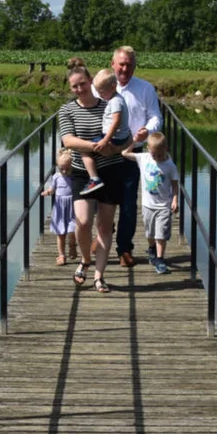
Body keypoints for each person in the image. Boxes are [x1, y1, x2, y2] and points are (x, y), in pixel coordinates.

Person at [57, 62, 133, 293]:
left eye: (82, 84)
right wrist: (95, 146)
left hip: (110, 170)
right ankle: (84, 259)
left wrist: (114, 149)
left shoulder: (109, 105)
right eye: (74, 86)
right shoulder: (66, 110)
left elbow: (127, 135)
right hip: (82, 173)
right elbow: (68, 140)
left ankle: (99, 275)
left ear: (91, 81)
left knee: (104, 225)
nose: (79, 89)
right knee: (82, 221)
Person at [107, 46, 163, 267]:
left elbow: (156, 117)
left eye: (129, 64)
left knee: (129, 204)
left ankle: (124, 249)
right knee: (103, 202)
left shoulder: (145, 89)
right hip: (106, 152)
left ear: (134, 66)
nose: (124, 68)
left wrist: (147, 131)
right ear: (113, 64)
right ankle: (103, 237)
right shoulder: (100, 87)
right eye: (121, 64)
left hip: (133, 153)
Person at [122, 132, 178, 273]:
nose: (157, 158)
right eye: (154, 155)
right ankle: (151, 248)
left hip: (164, 205)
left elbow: (175, 184)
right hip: (148, 205)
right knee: (150, 234)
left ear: (166, 149)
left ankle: (160, 259)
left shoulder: (170, 165)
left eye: (160, 155)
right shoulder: (144, 158)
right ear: (148, 149)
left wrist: (175, 199)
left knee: (161, 234)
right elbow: (124, 153)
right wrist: (134, 141)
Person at [77, 68, 132, 197]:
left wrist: (105, 140)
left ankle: (94, 178)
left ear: (113, 87)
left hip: (114, 138)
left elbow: (116, 122)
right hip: (119, 137)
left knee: (82, 148)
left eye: (102, 92)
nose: (100, 95)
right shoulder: (114, 99)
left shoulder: (116, 101)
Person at [41, 148, 77, 265]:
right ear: (57, 167)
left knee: (73, 230)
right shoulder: (56, 177)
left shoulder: (74, 177)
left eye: (67, 169)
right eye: (62, 169)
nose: (65, 171)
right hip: (60, 208)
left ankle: (72, 245)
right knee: (60, 233)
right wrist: (48, 192)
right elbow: (53, 188)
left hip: (72, 207)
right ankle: (61, 255)